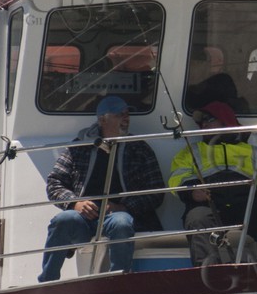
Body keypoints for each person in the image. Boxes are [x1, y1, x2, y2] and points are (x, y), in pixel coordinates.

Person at [40, 96, 165, 282]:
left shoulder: (139, 148)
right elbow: (55, 182)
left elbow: (156, 191)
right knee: (63, 220)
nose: (126, 118)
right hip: (83, 218)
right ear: (102, 119)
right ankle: (47, 283)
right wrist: (76, 203)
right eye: (119, 114)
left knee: (122, 223)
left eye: (127, 114)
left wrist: (124, 207)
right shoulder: (79, 146)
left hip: (119, 215)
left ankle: (118, 281)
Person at [169, 101, 257, 265]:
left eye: (209, 119)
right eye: (202, 122)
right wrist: (192, 191)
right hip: (210, 204)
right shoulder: (191, 151)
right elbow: (177, 178)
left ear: (225, 121)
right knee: (197, 219)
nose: (204, 124)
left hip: (248, 204)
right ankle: (209, 275)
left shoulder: (253, 151)